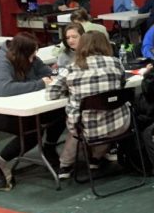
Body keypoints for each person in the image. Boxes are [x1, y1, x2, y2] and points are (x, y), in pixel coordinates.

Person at [45, 31, 130, 179]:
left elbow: (51, 94)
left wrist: (69, 90)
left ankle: (65, 166)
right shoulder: (116, 63)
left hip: (86, 128)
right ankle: (95, 158)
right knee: (105, 118)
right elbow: (122, 84)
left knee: (79, 124)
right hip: (119, 124)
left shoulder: (72, 68)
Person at [0, 33, 65, 164]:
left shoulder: (31, 58)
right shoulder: (1, 64)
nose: (33, 57)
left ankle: (49, 147)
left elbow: (47, 73)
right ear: (21, 52)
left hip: (24, 104)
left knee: (61, 112)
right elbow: (4, 89)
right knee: (32, 132)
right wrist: (39, 83)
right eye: (31, 53)